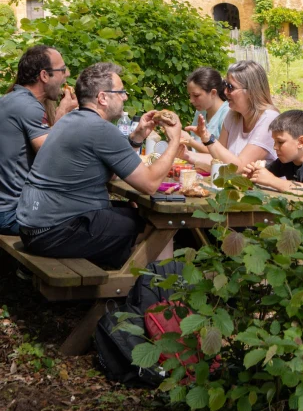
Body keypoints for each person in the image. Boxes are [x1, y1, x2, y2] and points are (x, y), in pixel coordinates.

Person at [17, 62, 182, 269]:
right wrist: (174, 140)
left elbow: (112, 175)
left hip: (34, 226)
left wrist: (137, 137)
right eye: (121, 92)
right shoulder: (100, 129)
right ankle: (147, 292)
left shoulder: (70, 120)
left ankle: (133, 279)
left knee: (135, 214)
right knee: (158, 224)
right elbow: (149, 184)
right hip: (54, 232)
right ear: (103, 97)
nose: (125, 97)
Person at [0, 45, 77, 235]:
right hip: (11, 213)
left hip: (7, 208)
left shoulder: (10, 99)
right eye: (62, 70)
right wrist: (63, 113)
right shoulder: (28, 106)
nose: (66, 74)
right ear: (44, 76)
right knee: (94, 221)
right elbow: (50, 157)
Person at [183, 60, 278, 172]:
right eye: (225, 85)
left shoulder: (269, 119)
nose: (225, 91)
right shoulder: (233, 115)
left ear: (251, 91)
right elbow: (218, 159)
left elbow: (239, 167)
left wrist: (208, 139)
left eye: (230, 87)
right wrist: (186, 155)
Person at [180, 67, 229, 155]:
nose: (191, 100)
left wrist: (189, 141)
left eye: (196, 95)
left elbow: (221, 155)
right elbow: (194, 148)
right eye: (190, 95)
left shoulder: (227, 114)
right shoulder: (200, 111)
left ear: (213, 93)